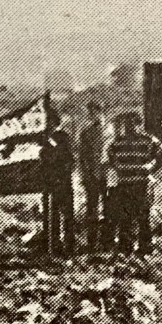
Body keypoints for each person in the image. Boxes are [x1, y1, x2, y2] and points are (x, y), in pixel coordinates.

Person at [106, 111, 162, 257]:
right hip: (124, 185)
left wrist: (152, 167)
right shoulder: (118, 142)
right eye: (127, 124)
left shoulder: (148, 140)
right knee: (125, 218)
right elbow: (109, 155)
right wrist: (117, 167)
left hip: (142, 184)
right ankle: (125, 249)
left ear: (139, 125)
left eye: (133, 124)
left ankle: (145, 248)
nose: (130, 127)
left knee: (143, 216)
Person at [42, 114, 76, 256]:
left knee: (65, 215)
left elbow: (64, 156)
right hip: (52, 182)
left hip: (61, 181)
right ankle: (54, 245)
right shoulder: (47, 139)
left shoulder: (61, 138)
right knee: (52, 215)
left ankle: (67, 246)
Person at [79, 102, 109, 252]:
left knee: (109, 208)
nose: (92, 115)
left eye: (94, 112)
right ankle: (92, 242)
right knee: (92, 209)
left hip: (109, 176)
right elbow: (82, 158)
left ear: (101, 112)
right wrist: (84, 176)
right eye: (90, 113)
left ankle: (107, 241)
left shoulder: (111, 131)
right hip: (93, 176)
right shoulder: (86, 133)